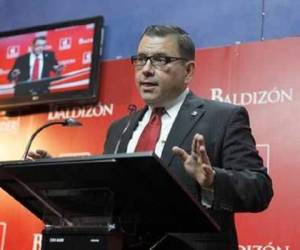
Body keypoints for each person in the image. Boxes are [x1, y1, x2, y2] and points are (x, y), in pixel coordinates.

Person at [30, 25, 273, 250]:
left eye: (160, 60)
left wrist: (212, 181)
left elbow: (260, 189)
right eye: (141, 60)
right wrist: (62, 179)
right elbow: (109, 200)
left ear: (188, 71)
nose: (146, 69)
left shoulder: (223, 118)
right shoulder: (119, 129)